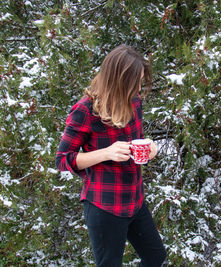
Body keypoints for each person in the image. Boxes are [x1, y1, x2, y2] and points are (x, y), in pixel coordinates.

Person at [55, 45, 166, 267]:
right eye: (134, 82)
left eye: (140, 81)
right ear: (117, 79)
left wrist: (150, 148)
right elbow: (62, 160)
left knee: (155, 257)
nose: (138, 87)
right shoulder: (85, 110)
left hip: (135, 199)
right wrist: (106, 153)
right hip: (104, 205)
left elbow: (137, 138)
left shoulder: (134, 100)